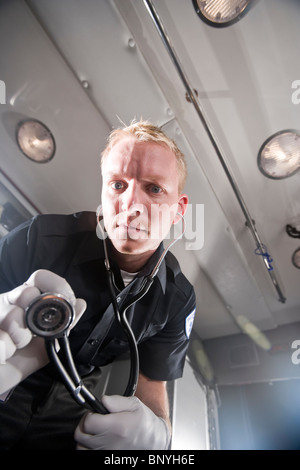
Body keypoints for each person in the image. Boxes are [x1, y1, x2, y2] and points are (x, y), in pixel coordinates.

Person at [0, 120, 196, 450]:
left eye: (154, 189)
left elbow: (152, 381)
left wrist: (158, 434)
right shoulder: (39, 238)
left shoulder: (177, 300)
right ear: (103, 193)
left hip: (77, 398)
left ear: (179, 210)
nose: (131, 204)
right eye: (118, 185)